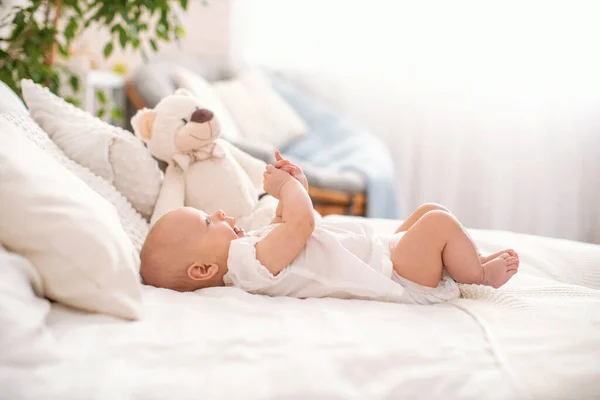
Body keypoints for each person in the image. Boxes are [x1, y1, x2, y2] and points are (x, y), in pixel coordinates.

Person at [140, 151, 519, 305]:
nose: (220, 214)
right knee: (438, 223)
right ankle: (478, 274)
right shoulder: (244, 267)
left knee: (428, 211)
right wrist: (287, 190)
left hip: (383, 255)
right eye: (208, 222)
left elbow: (286, 222)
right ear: (203, 270)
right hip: (395, 275)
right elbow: (302, 225)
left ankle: (465, 260)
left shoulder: (252, 253)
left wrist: (297, 185)